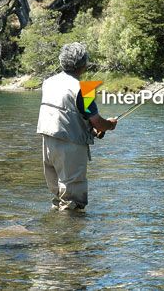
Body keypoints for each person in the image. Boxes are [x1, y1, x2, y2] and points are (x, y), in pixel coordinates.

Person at [37, 42, 117, 211]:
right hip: (70, 147)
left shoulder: (48, 82)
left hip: (48, 143)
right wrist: (109, 125)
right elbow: (97, 122)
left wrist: (92, 131)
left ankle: (53, 233)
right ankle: (69, 235)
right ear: (83, 65)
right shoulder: (84, 90)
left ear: (62, 62)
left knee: (58, 196)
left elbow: (65, 114)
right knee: (72, 198)